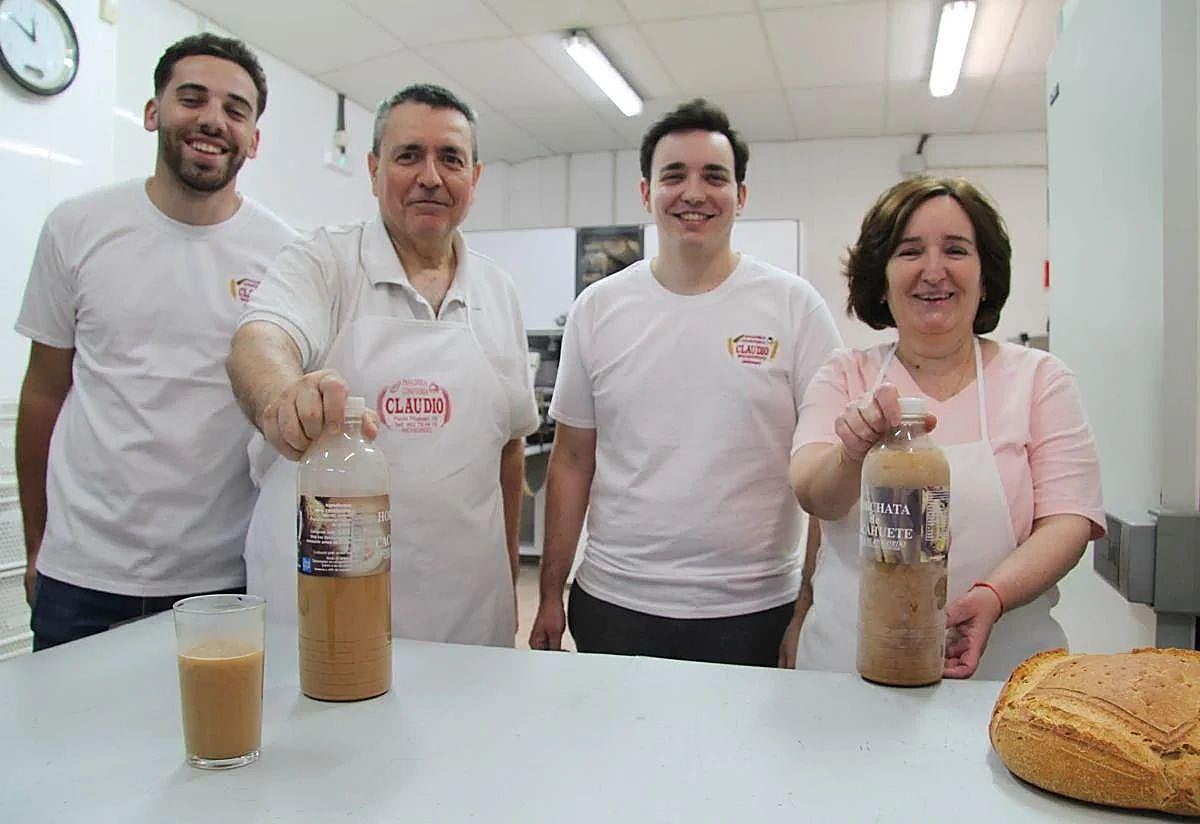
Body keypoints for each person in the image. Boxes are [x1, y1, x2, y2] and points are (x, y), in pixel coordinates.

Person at [528, 99, 843, 667]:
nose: (693, 192)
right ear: (646, 193)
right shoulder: (598, 309)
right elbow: (572, 460)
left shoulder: (796, 309)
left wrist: (807, 608)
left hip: (755, 609)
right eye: (674, 176)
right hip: (616, 601)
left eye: (714, 176)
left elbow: (831, 471)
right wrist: (550, 593)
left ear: (740, 196)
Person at [228, 84, 537, 647]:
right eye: (407, 155)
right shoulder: (323, 263)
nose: (430, 176)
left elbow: (509, 448)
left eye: (450, 159)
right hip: (324, 605)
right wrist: (281, 397)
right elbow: (260, 339)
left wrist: (510, 579)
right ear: (373, 170)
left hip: (466, 614)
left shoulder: (499, 291)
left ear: (475, 177)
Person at [15, 33, 297, 650]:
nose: (212, 120)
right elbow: (42, 395)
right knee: (68, 745)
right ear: (153, 112)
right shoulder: (77, 227)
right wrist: (38, 544)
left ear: (254, 138)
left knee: (213, 747)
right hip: (81, 574)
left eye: (235, 109)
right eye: (191, 98)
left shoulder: (284, 254)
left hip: (221, 579)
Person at [787, 176, 1105, 680]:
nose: (934, 271)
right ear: (882, 278)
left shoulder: (1040, 380)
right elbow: (814, 496)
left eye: (956, 250)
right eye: (910, 251)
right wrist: (851, 452)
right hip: (845, 674)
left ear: (984, 275)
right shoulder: (845, 375)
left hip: (1001, 672)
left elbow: (1069, 522)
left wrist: (993, 597)